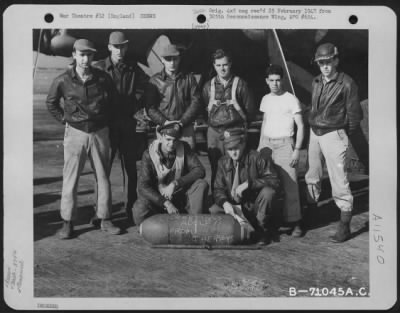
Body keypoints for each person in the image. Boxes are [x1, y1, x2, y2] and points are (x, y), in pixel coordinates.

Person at [46, 39, 121, 239]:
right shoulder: (63, 80)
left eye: (89, 55)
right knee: (70, 179)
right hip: (75, 133)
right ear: (74, 55)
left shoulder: (103, 78)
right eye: (81, 54)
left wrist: (105, 123)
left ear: (93, 56)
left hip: (99, 132)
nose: (85, 59)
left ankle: (105, 218)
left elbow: (114, 103)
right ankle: (67, 222)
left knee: (103, 177)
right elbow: (51, 102)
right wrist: (65, 120)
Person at [305, 43, 363, 243]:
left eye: (328, 62)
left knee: (339, 180)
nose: (325, 66)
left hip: (334, 134)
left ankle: (345, 225)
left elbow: (355, 116)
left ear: (336, 61)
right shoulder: (316, 82)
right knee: (312, 175)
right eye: (321, 63)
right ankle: (312, 214)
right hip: (314, 133)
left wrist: (341, 135)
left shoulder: (347, 83)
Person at [92, 31, 148, 225]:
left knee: (130, 169)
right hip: (105, 126)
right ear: (109, 47)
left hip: (127, 124)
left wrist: (136, 103)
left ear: (127, 47)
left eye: (123, 46)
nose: (120, 50)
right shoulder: (98, 67)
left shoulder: (134, 68)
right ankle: (99, 212)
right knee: (102, 170)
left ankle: (130, 208)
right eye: (116, 47)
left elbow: (145, 86)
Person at [209, 128, 280, 245]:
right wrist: (224, 202)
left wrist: (249, 184)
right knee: (214, 210)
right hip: (234, 206)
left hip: (254, 206)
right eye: (229, 149)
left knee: (268, 192)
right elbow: (218, 189)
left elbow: (274, 180)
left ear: (243, 144)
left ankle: (261, 230)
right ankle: (240, 229)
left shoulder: (257, 157)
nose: (233, 153)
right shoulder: (222, 162)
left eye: (236, 148)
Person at [257, 64, 305, 237]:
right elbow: (265, 122)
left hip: (286, 144)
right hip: (268, 144)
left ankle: (296, 222)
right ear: (267, 81)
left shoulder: (291, 99)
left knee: (290, 184)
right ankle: (271, 221)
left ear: (282, 80)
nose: (275, 84)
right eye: (272, 81)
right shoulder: (265, 99)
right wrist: (260, 145)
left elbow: (300, 125)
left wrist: (297, 149)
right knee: (268, 182)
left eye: (278, 80)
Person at [132, 122, 209, 226]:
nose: (172, 144)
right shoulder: (148, 154)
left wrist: (175, 183)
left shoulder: (184, 147)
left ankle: (193, 221)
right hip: (158, 200)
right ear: (161, 137)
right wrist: (166, 203)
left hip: (180, 197)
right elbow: (143, 186)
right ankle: (156, 226)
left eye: (175, 140)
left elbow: (200, 170)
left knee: (201, 184)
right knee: (139, 209)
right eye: (168, 139)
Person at [202, 49, 255, 191]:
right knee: (216, 166)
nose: (222, 68)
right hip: (214, 133)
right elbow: (204, 110)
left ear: (230, 64)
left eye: (225, 64)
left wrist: (240, 130)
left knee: (237, 166)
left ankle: (237, 197)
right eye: (218, 65)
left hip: (235, 132)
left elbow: (250, 111)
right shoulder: (208, 86)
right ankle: (218, 199)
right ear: (214, 66)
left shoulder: (241, 84)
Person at [145, 43, 201, 149]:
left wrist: (182, 122)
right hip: (164, 129)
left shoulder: (189, 78)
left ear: (179, 59)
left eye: (175, 59)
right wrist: (165, 122)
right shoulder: (154, 81)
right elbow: (150, 108)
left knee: (188, 161)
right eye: (168, 59)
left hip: (186, 129)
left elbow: (196, 101)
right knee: (165, 162)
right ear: (162, 60)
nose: (172, 63)